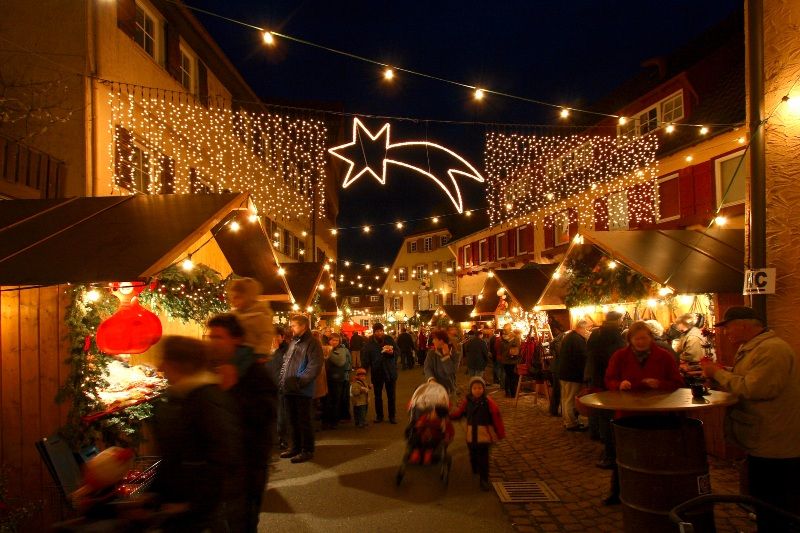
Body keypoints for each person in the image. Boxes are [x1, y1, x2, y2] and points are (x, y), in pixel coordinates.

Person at [701, 306, 800, 531]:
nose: (726, 332)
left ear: (744, 324)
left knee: (776, 502)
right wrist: (720, 372)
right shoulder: (754, 348)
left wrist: (717, 373)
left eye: (728, 327)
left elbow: (755, 388)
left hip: (776, 442)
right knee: (764, 498)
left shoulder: (771, 350)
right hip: (764, 438)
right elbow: (748, 377)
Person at [150, 336, 243, 531]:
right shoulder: (182, 396)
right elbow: (173, 456)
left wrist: (193, 505)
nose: (160, 367)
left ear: (178, 364)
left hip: (199, 513)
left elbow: (223, 458)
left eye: (165, 360)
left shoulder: (205, 400)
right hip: (184, 506)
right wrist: (155, 495)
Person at [207, 314, 278, 533]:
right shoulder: (211, 368)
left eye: (219, 337)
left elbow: (265, 415)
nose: (213, 343)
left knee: (241, 522)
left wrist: (232, 389)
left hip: (247, 463)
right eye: (211, 337)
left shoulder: (254, 371)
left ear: (236, 339)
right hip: (218, 464)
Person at [601, 320, 684, 506]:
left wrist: (660, 384)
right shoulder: (620, 356)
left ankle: (657, 493)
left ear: (650, 338)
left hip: (657, 412)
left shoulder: (663, 356)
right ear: (630, 340)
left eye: (644, 338)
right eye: (637, 339)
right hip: (628, 412)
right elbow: (609, 378)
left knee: (656, 455)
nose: (640, 342)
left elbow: (677, 381)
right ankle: (617, 492)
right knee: (622, 454)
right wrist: (619, 385)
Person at [278, 314, 323, 463]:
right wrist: (282, 381)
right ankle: (295, 447)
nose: (291, 328)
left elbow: (314, 366)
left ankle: (307, 450)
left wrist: (299, 382)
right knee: (292, 420)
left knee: (304, 421)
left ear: (303, 326)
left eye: (294, 325)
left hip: (302, 390)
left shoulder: (312, 343)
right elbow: (286, 362)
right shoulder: (293, 342)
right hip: (289, 388)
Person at [450, 376, 506, 491]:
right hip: (471, 435)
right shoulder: (467, 401)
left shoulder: (488, 402)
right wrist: (450, 416)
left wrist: (500, 433)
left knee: (484, 458)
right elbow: (460, 413)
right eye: (475, 388)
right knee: (473, 454)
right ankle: (475, 467)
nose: (477, 390)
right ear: (471, 389)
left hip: (484, 435)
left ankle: (484, 479)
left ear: (483, 389)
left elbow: (496, 416)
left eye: (480, 388)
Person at [585, 311, 626, 467]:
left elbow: (590, 353)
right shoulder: (614, 335)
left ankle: (597, 435)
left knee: (600, 411)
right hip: (608, 379)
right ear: (617, 320)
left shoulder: (597, 333)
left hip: (597, 377)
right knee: (609, 415)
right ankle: (610, 451)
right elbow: (615, 357)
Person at [226, 278, 274, 362]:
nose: (234, 301)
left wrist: (262, 353)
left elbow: (267, 334)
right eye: (232, 298)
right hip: (235, 351)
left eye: (238, 297)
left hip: (253, 354)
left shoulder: (261, 315)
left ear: (249, 297)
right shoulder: (233, 314)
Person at [362, 323, 400, 423]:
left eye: (381, 331)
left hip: (390, 371)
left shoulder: (389, 339)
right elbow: (366, 359)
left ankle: (392, 416)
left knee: (391, 396)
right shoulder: (369, 344)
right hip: (377, 372)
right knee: (377, 396)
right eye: (377, 331)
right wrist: (363, 372)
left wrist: (392, 353)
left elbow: (397, 351)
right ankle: (379, 416)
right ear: (374, 332)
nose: (380, 333)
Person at [558, 320, 590, 432]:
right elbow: (582, 358)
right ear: (582, 328)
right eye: (587, 329)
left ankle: (567, 421)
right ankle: (571, 423)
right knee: (570, 399)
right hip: (572, 374)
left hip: (565, 373)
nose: (587, 332)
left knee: (566, 398)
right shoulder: (577, 339)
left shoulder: (570, 337)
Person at [322, 332, 350, 429]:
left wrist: (328, 353)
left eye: (336, 340)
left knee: (335, 399)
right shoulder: (325, 348)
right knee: (326, 400)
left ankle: (334, 421)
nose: (334, 342)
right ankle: (326, 420)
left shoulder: (342, 350)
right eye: (332, 340)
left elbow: (340, 362)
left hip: (337, 378)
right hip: (326, 378)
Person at [424, 329, 457, 394]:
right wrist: (431, 379)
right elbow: (427, 367)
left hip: (449, 388)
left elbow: (450, 371)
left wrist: (446, 356)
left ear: (441, 341)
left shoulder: (454, 352)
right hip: (434, 388)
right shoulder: (431, 353)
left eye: (435, 339)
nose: (433, 341)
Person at [500, 324, 522, 397]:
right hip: (513, 360)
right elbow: (518, 348)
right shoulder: (515, 338)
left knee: (508, 376)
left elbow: (501, 349)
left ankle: (507, 392)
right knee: (513, 377)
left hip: (505, 361)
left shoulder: (502, 338)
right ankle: (513, 393)